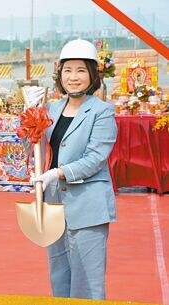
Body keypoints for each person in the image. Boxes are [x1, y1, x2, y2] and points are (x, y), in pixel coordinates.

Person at [32, 39, 117, 300]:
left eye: (81, 70)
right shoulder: (52, 109)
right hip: (55, 203)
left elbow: (95, 159)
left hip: (87, 206)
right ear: (59, 75)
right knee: (59, 274)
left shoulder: (102, 112)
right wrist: (30, 114)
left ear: (93, 75)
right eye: (67, 70)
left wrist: (58, 173)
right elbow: (33, 146)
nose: (74, 77)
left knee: (87, 282)